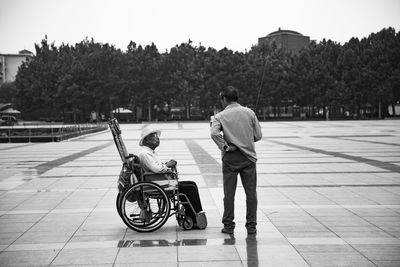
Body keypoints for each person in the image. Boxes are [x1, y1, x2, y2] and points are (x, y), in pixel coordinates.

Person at [210, 85, 262, 235]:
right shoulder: (249, 112)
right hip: (248, 158)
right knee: (251, 194)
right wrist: (245, 140)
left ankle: (228, 226)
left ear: (224, 99)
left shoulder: (220, 116)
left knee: (229, 194)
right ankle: (251, 226)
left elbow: (214, 133)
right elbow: (258, 136)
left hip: (230, 159)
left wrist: (225, 146)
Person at [138, 128, 206, 228]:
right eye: (154, 137)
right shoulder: (145, 154)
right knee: (190, 189)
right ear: (147, 140)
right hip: (158, 184)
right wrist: (168, 165)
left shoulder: (149, 152)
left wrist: (166, 165)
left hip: (159, 181)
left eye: (157, 137)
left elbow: (156, 167)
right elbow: (157, 169)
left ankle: (195, 214)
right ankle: (194, 217)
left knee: (192, 184)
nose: (157, 139)